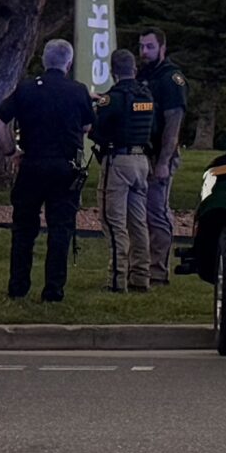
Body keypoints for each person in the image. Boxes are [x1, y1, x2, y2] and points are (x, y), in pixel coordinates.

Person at [0, 39, 98, 303]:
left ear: (44, 60)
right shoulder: (78, 91)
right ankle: (53, 290)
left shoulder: (26, 89)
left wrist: (10, 151)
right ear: (69, 63)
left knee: (24, 229)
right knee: (61, 229)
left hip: (32, 164)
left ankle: (18, 286)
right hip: (66, 167)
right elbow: (88, 128)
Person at [92, 46, 159, 293]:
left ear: (113, 72)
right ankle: (141, 276)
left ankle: (116, 279)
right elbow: (151, 128)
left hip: (118, 161)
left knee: (113, 222)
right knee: (138, 222)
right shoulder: (146, 96)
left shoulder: (113, 98)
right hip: (141, 162)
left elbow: (98, 130)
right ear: (134, 69)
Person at [136, 28, 188, 288]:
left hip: (159, 153)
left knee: (156, 212)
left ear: (162, 48)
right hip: (141, 152)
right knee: (141, 213)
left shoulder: (170, 78)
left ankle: (158, 272)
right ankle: (144, 267)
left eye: (149, 47)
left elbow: (173, 124)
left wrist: (164, 162)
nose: (144, 52)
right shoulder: (142, 75)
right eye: (142, 47)